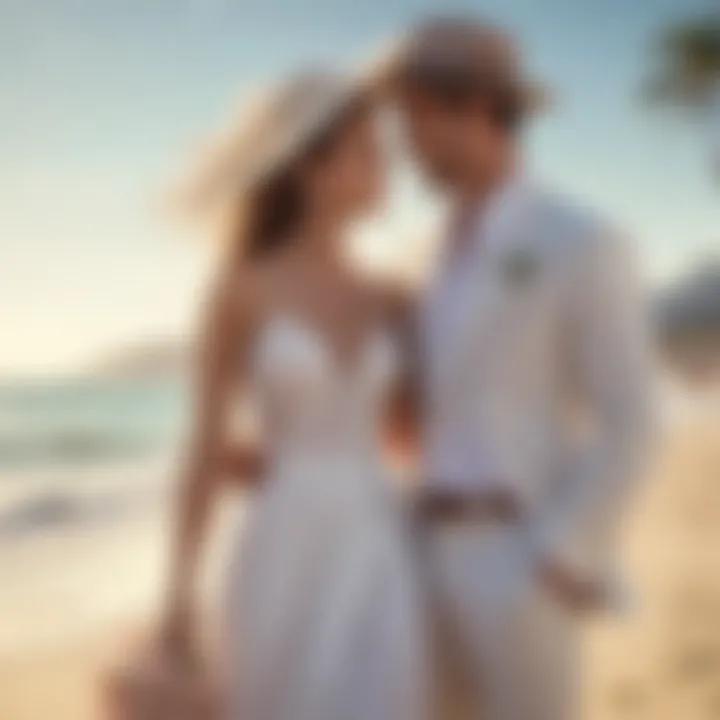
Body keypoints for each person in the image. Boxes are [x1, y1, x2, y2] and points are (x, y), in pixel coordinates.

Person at [376, 17, 654, 720]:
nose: (403, 143)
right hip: (421, 560)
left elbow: (634, 421)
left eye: (412, 118)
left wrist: (556, 559)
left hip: (519, 557)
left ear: (473, 108)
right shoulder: (418, 253)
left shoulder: (580, 238)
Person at [159, 71, 428, 720]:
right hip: (282, 548)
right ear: (309, 166)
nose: (386, 166)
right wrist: (178, 590)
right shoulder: (241, 287)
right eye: (367, 150)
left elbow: (410, 438)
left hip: (377, 542)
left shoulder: (393, 296)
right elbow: (202, 447)